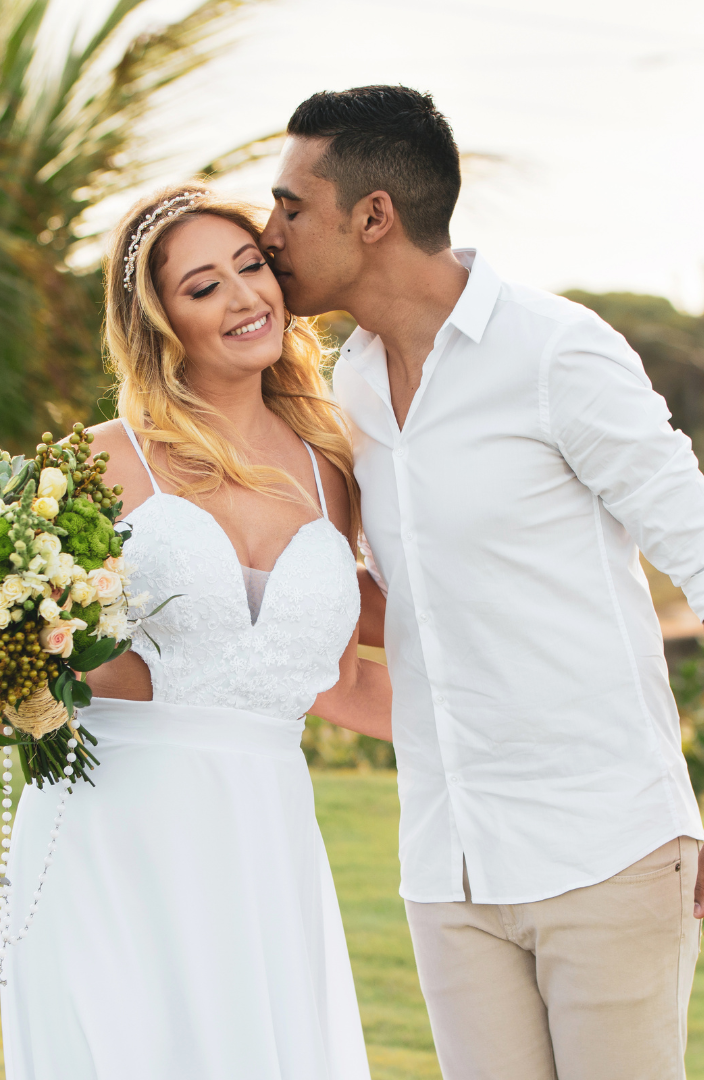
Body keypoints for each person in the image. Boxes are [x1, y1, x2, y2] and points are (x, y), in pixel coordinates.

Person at [261, 83, 704, 1080]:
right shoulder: (356, 383)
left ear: (372, 215)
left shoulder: (558, 352)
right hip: (448, 861)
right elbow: (417, 600)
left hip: (609, 846)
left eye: (290, 205)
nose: (269, 232)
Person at [0, 183, 392, 1079]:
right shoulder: (101, 461)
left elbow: (340, 682)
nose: (245, 298)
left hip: (264, 827)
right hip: (116, 817)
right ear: (160, 320)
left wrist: (514, 733)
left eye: (251, 267)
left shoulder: (335, 469)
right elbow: (23, 658)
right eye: (203, 286)